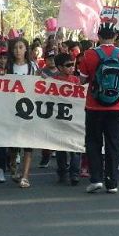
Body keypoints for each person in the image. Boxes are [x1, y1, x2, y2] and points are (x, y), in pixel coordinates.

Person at [79, 22, 119, 194]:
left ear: (98, 36)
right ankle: (112, 182)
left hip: (94, 105)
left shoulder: (89, 54)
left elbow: (82, 80)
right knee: (113, 143)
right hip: (116, 106)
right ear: (115, 36)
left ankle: (96, 178)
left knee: (93, 142)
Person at [6, 38, 39, 188]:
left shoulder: (32, 67)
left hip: (29, 108)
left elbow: (41, 83)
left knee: (28, 144)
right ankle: (13, 164)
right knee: (14, 143)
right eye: (15, 48)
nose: (18, 50)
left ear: (26, 49)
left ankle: (25, 176)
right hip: (11, 109)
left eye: (21, 47)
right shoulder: (8, 67)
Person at [51, 53, 81, 186]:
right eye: (68, 65)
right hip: (59, 119)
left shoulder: (76, 80)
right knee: (61, 147)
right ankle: (62, 171)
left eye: (72, 64)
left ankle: (74, 173)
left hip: (74, 119)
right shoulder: (53, 81)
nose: (71, 67)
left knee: (76, 146)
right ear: (59, 67)